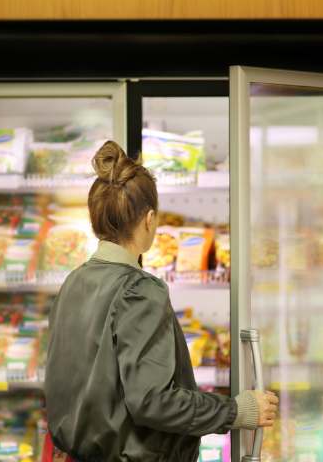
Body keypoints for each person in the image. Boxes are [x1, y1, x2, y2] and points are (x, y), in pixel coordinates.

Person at [45, 141, 278, 462]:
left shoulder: (74, 282)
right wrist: (236, 410)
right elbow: (152, 401)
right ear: (150, 219)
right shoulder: (138, 289)